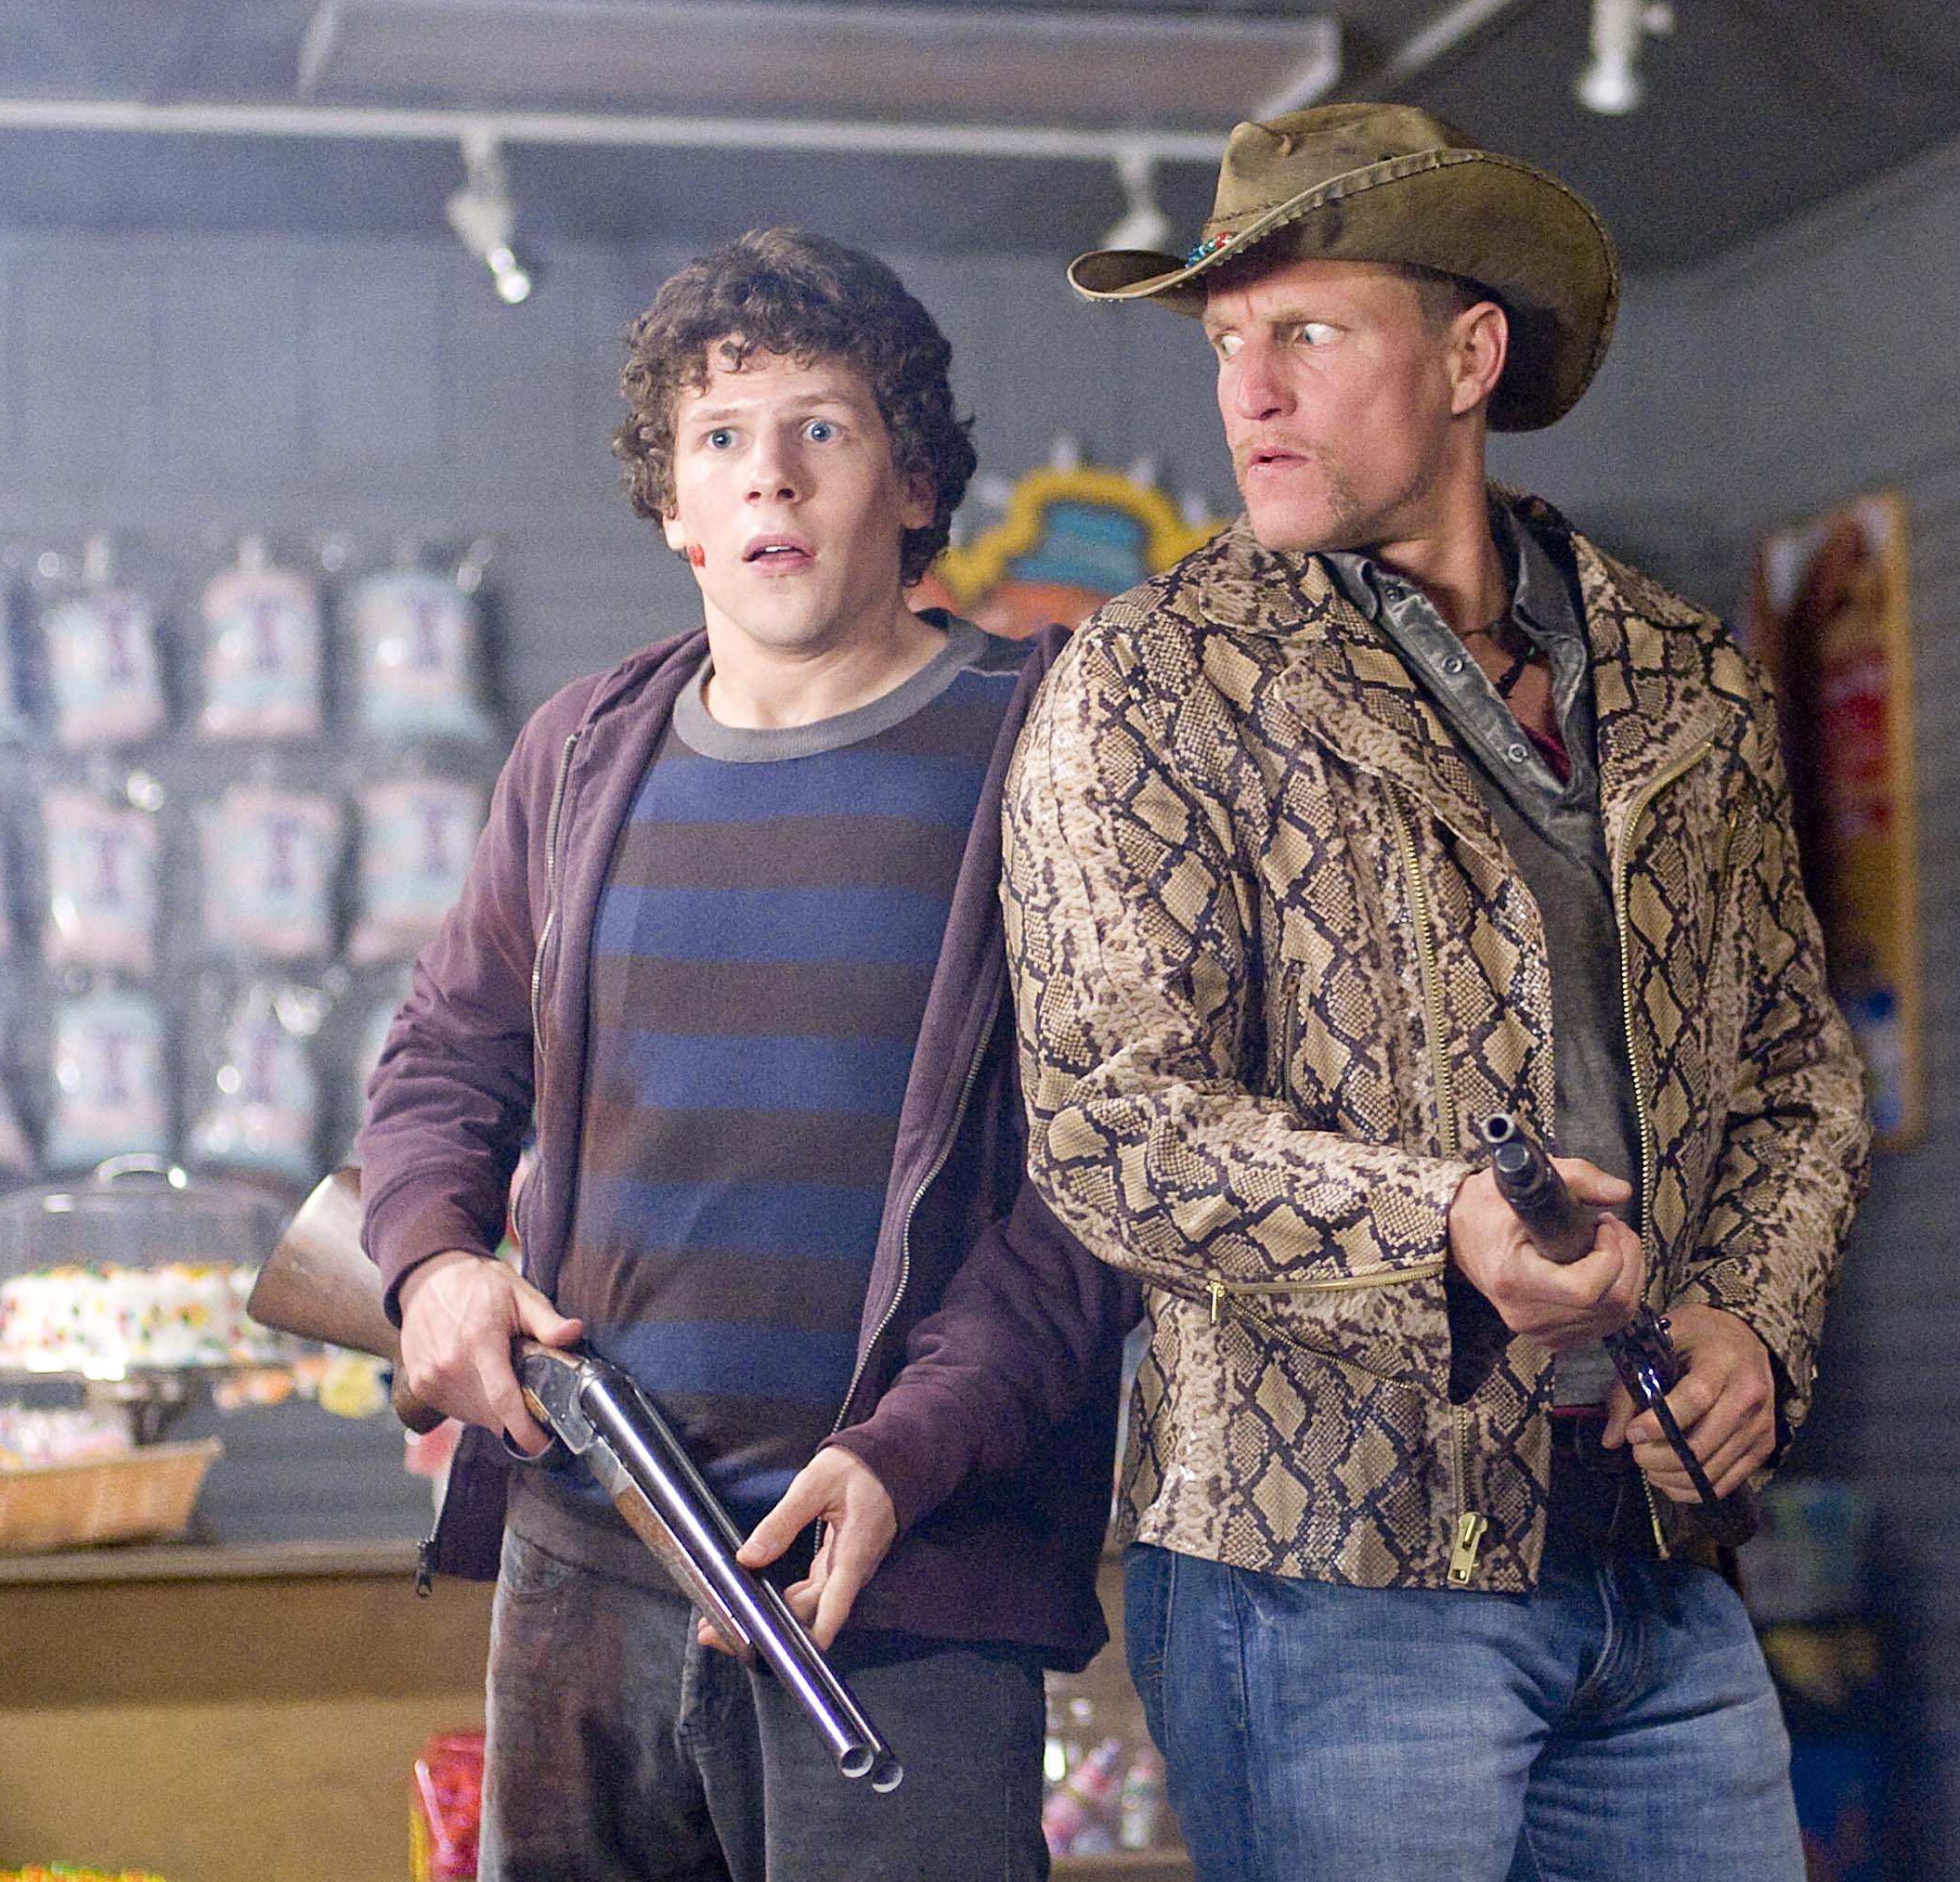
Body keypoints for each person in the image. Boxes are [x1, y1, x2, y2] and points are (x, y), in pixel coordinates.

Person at [1001, 103, 1871, 1881]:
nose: (1249, 393)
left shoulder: (1684, 675)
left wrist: (1748, 1326)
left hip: (1655, 1558)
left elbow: (1797, 1068)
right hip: (1324, 1573)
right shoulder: (1153, 678)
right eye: (1225, 343)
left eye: (1308, 333)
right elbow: (1110, 1125)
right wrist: (1442, 1232)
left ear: (1469, 356)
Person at [359, 227, 1128, 1880]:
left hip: (894, 1575)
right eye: (719, 437)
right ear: (674, 505)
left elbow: (1107, 1181)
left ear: (913, 483)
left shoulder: (1051, 745)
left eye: (820, 428)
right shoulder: (581, 752)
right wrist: (430, 1265)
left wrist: (906, 1452)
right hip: (587, 1554)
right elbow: (444, 1058)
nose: (769, 474)